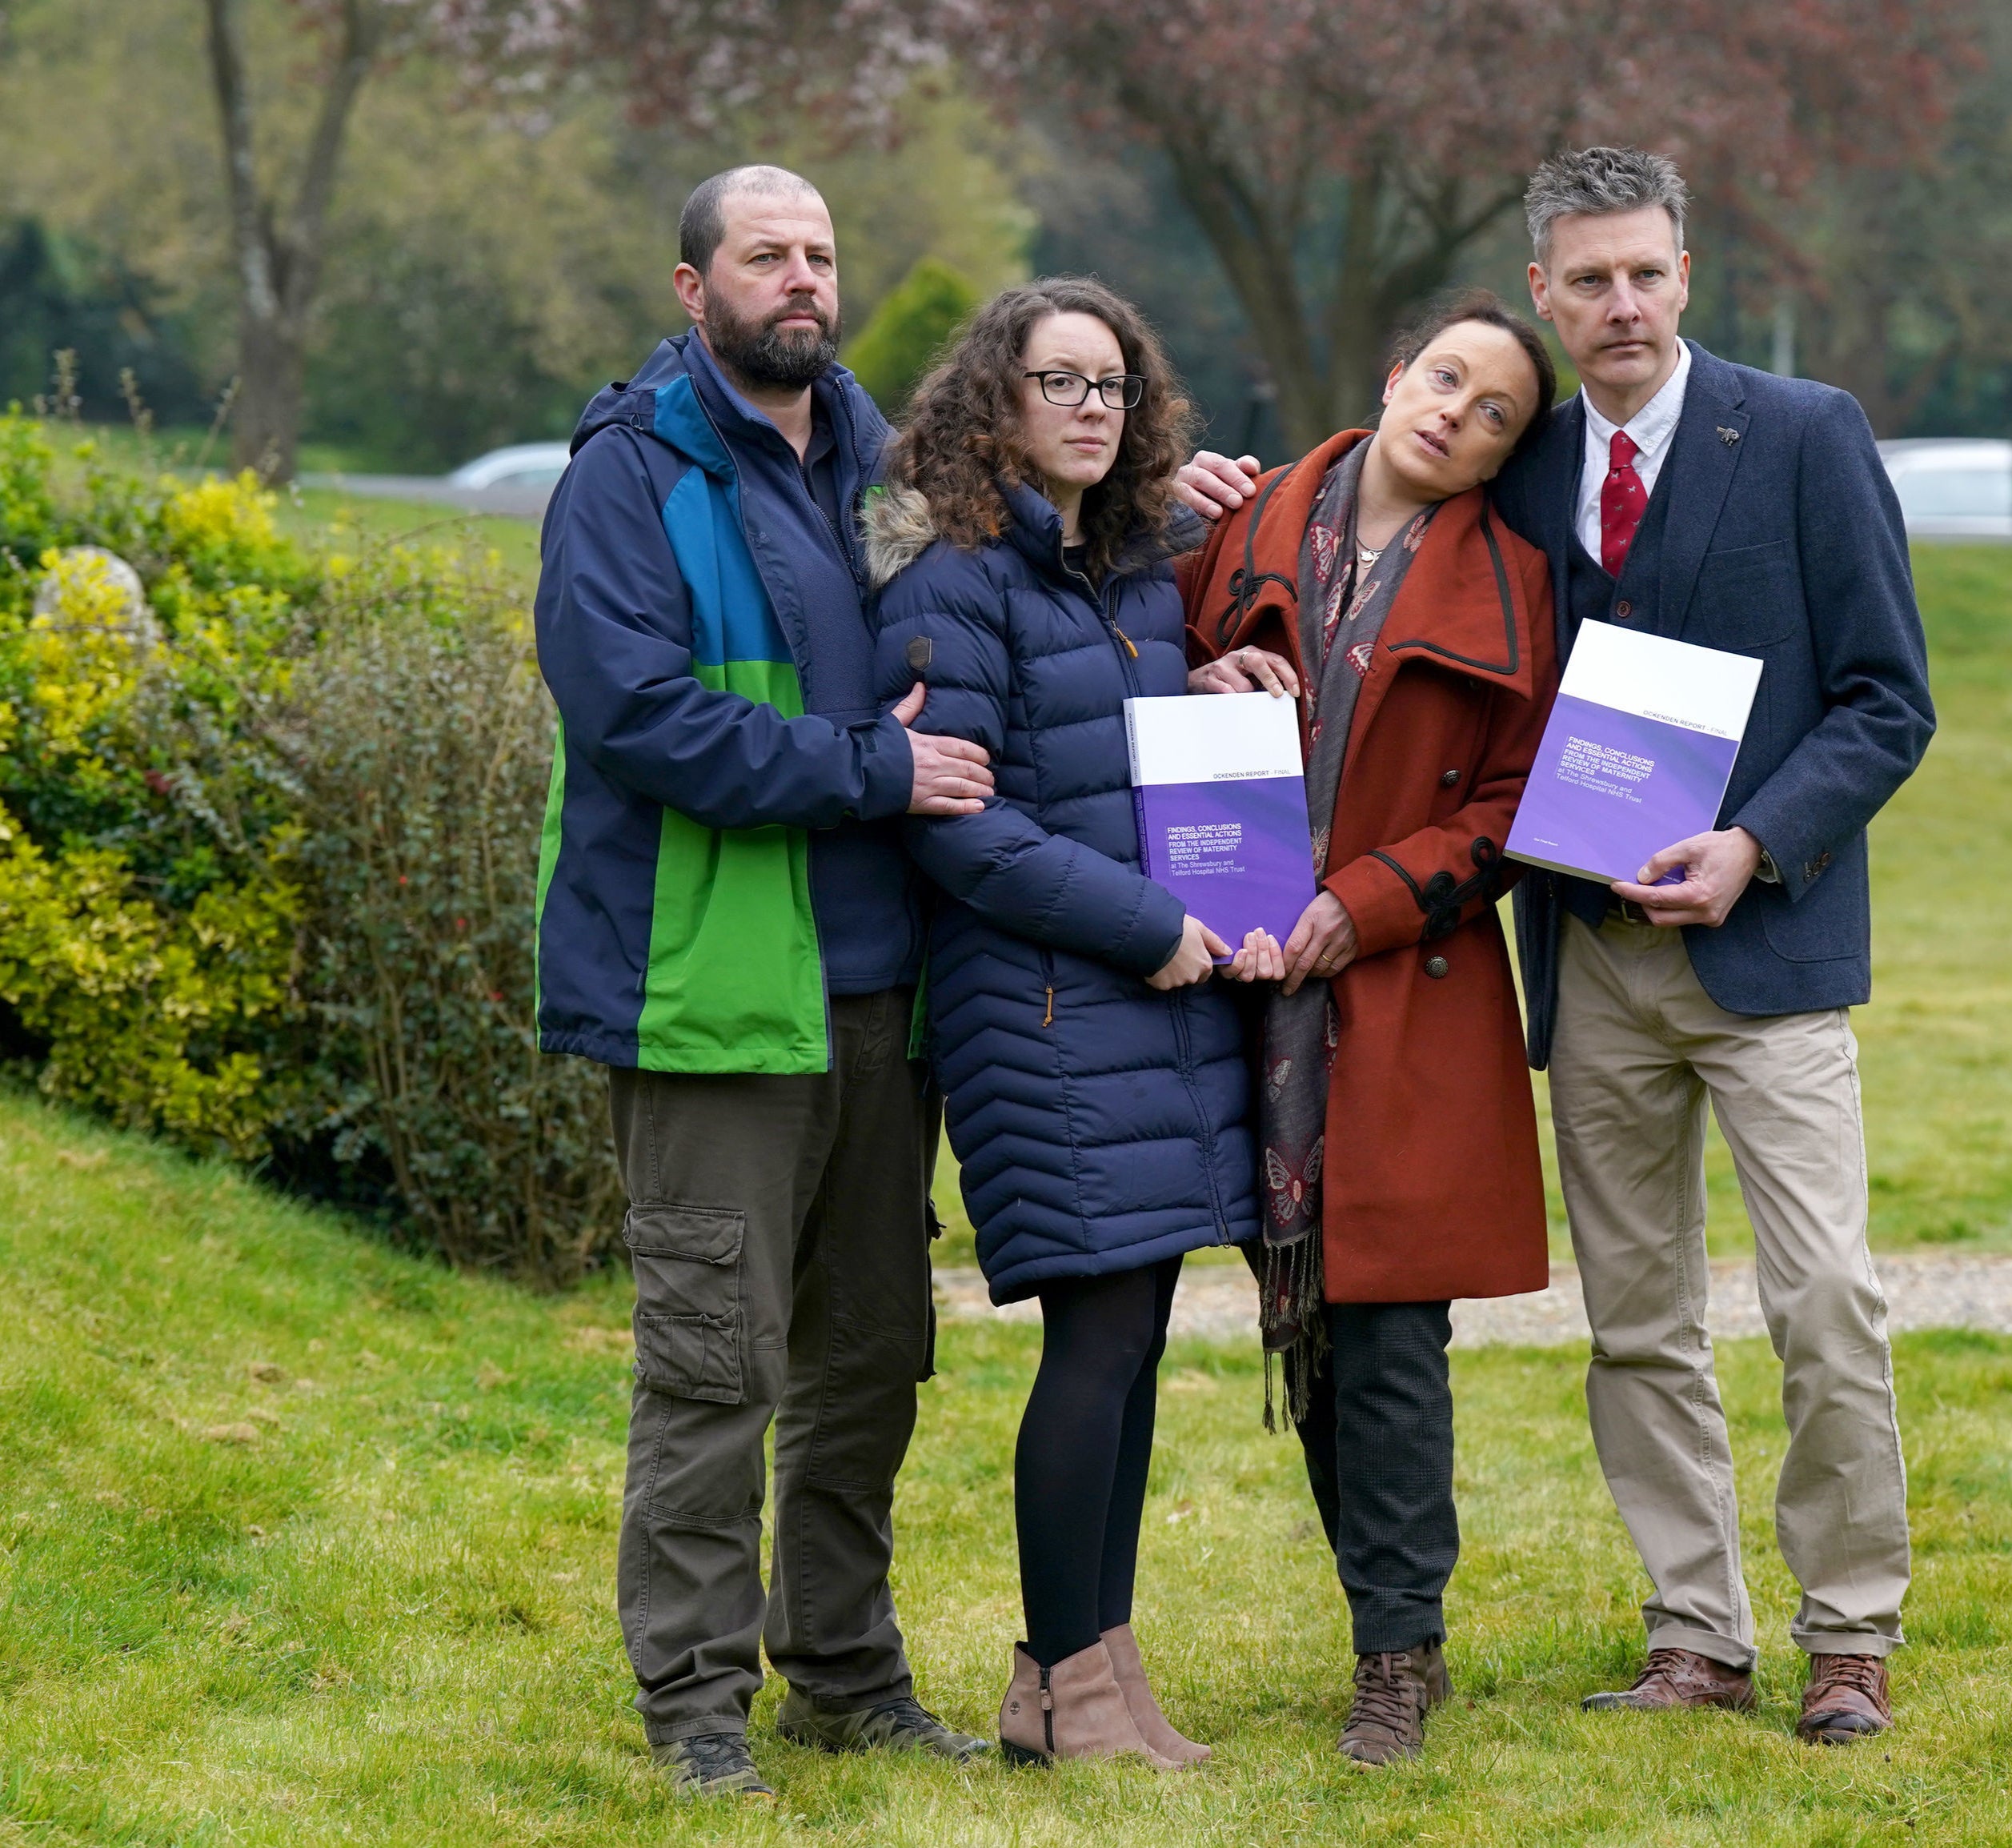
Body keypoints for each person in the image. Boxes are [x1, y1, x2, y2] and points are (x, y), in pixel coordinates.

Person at [1179, 148, 1935, 1745]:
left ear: (1685, 270)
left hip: (1769, 950)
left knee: (1823, 1301)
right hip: (1584, 961)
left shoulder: (1804, 437)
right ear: (1540, 289)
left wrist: (1754, 842)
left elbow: (1886, 699)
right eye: (1585, 279)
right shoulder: (1510, 464)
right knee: (1637, 1318)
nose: (1619, 304)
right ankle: (1695, 1637)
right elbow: (1358, 509)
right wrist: (1211, 497)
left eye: (1644, 273)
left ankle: (1848, 1633)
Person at [532, 165, 1000, 1802]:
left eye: (817, 253)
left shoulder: (884, 465)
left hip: (884, 996)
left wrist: (1207, 552)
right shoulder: (629, 476)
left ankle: (848, 1679)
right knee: (715, 1366)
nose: (800, 279)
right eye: (763, 256)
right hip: (708, 994)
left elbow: (993, 621)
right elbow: (639, 716)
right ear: (691, 286)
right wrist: (872, 767)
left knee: (868, 1361)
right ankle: (694, 1709)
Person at [864, 277, 1263, 1770]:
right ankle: (1070, 1683)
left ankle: (1081, 1674)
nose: (1090, 408)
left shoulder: (1126, 573)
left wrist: (1209, 680)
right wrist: (1149, 925)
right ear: (996, 400)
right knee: (1095, 1340)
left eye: (1112, 385)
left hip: (1140, 1011)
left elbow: (1114, 752)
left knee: (1135, 1334)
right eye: (1059, 382)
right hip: (1039, 1003)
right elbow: (958, 822)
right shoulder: (950, 575)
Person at [1180, 290, 1558, 1767]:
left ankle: (1396, 1655)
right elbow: (1111, 671)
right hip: (1231, 977)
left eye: (1493, 417)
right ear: (1397, 373)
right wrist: (1192, 673)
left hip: (1403, 988)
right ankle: (1388, 1621)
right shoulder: (1235, 520)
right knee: (1312, 1329)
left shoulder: (1519, 584)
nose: (1454, 415)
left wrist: (1373, 901)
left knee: (1391, 1329)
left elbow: (1518, 806)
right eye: (1446, 380)